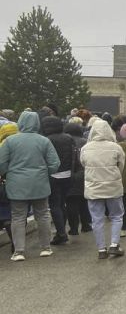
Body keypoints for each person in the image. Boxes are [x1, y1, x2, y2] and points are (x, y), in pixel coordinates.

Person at [0, 111, 60, 261]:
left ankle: (19, 251)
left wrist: (8, 174)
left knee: (18, 217)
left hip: (16, 184)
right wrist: (45, 173)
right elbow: (55, 163)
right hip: (39, 183)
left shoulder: (10, 141)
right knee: (43, 215)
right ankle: (46, 248)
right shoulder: (44, 141)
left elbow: (1, 163)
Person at [81, 119, 126, 258]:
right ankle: (114, 244)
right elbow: (121, 165)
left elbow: (83, 164)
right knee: (117, 216)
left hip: (93, 187)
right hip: (113, 186)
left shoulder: (85, 148)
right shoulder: (116, 147)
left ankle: (101, 249)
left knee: (97, 218)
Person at [41, 115, 76, 245]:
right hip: (67, 174)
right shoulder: (68, 138)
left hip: (53, 175)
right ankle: (61, 231)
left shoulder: (47, 139)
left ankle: (61, 233)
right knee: (62, 204)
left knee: (55, 205)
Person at [63, 121, 93, 234]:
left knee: (71, 202)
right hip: (85, 174)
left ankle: (73, 228)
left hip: (70, 174)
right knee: (84, 201)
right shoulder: (86, 142)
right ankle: (86, 225)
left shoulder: (66, 141)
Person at [0, 121, 19, 252]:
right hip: (16, 182)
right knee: (12, 214)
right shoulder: (20, 145)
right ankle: (15, 243)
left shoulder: (2, 145)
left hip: (3, 181)